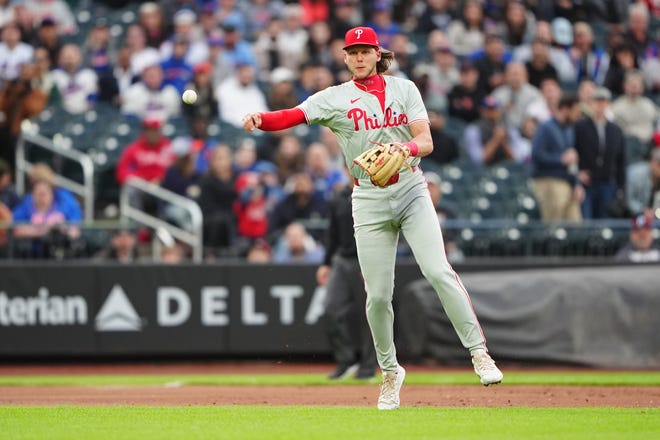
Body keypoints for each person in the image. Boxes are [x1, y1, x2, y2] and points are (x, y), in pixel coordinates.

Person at [242, 26, 503, 411]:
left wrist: (406, 147)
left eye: (366, 50)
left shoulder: (405, 89)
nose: (360, 57)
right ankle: (390, 372)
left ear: (378, 54)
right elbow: (294, 115)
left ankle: (479, 353)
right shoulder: (334, 98)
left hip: (411, 188)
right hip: (368, 197)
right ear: (345, 57)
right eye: (353, 51)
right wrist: (261, 119)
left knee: (438, 270)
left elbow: (426, 142)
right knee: (378, 295)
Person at [316, 174, 376, 380]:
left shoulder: (374, 190)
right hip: (342, 260)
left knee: (371, 314)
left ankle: (368, 366)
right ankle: (346, 360)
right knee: (330, 308)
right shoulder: (338, 198)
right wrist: (325, 263)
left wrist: (374, 262)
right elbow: (331, 233)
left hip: (367, 258)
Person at [574, 87, 627, 219]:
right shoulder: (580, 126)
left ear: (608, 104)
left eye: (603, 102)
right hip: (587, 183)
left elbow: (620, 160)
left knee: (604, 219)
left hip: (607, 182)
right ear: (591, 104)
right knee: (586, 219)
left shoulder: (616, 130)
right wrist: (577, 174)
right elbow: (574, 151)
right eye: (597, 101)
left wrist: (620, 187)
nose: (600, 105)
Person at [531, 93, 584, 222]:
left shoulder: (569, 130)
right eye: (575, 111)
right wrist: (560, 159)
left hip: (567, 182)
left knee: (575, 224)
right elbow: (537, 155)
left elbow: (571, 161)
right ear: (565, 109)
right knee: (553, 226)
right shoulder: (546, 127)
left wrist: (576, 184)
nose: (578, 115)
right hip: (549, 181)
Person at [626, 147, 660, 217]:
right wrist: (643, 210)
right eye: (659, 164)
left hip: (651, 217)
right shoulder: (636, 173)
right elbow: (628, 200)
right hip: (628, 215)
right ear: (652, 161)